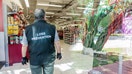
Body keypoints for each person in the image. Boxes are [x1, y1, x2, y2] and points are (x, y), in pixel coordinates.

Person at [21, 9, 62, 74]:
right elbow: (57, 42)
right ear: (44, 16)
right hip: (49, 59)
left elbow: (24, 45)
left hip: (35, 59)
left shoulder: (27, 29)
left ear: (35, 17)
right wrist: (59, 53)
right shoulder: (52, 27)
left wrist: (23, 57)